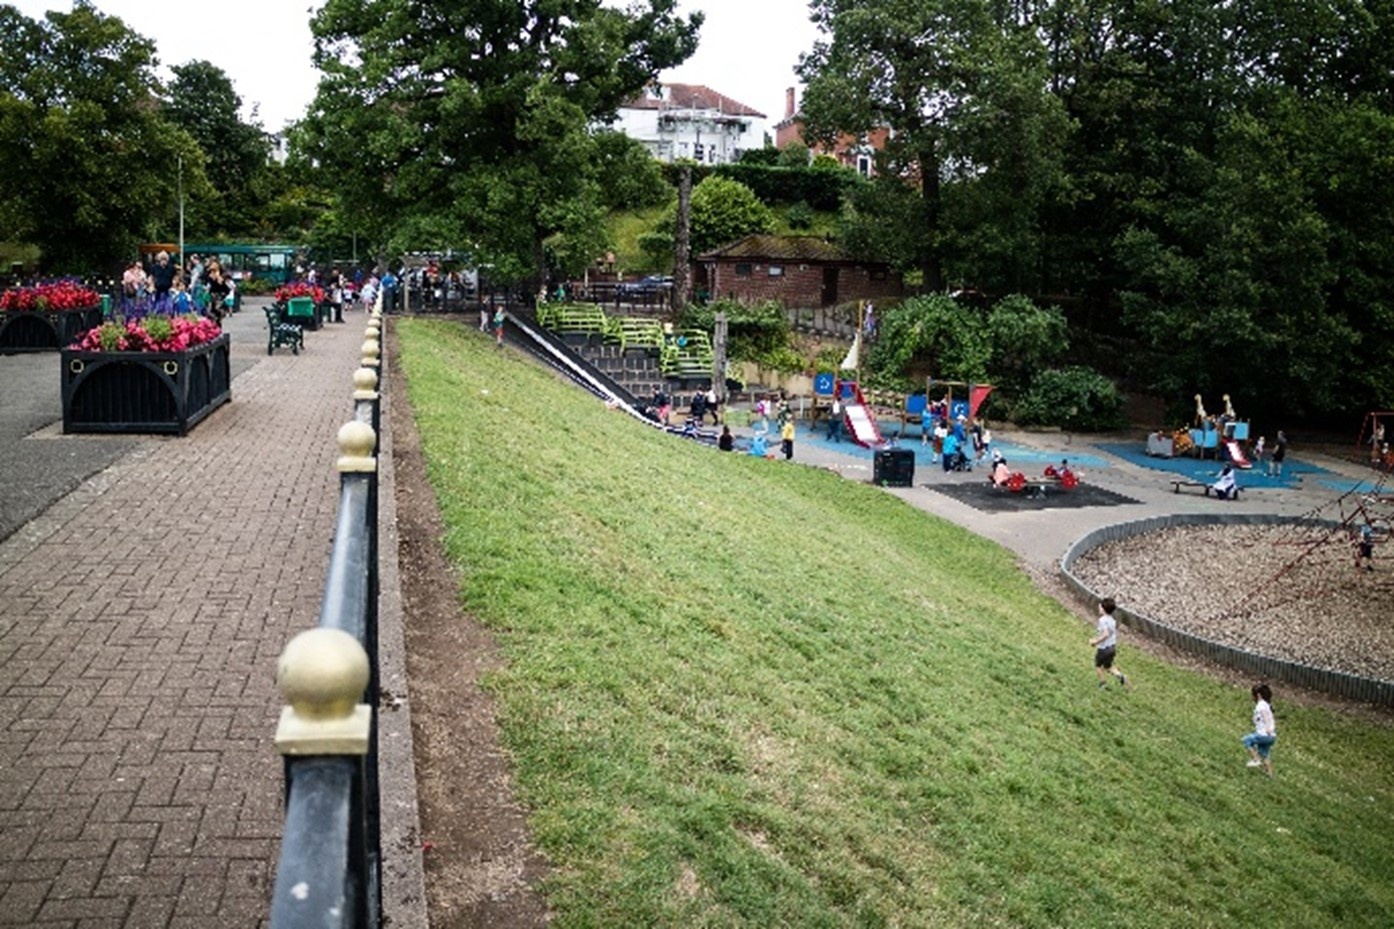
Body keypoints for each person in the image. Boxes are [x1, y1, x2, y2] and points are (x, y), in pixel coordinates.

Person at [1089, 597, 1128, 688]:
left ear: (1103, 608)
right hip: (1112, 647)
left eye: (1100, 607)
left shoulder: (1102, 620)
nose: (1098, 608)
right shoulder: (1112, 620)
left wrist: (1095, 642)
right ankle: (1121, 676)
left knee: (1098, 666)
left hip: (1104, 648)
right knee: (1108, 666)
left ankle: (1103, 684)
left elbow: (1105, 634)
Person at [1242, 683, 1277, 776]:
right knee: (1264, 753)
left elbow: (1265, 716)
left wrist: (1268, 728)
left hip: (1264, 734)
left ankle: (1255, 759)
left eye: (1252, 695)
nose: (1252, 698)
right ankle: (1270, 775)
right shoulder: (1267, 705)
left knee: (1246, 740)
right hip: (1271, 737)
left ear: (1258, 695)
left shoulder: (1261, 705)